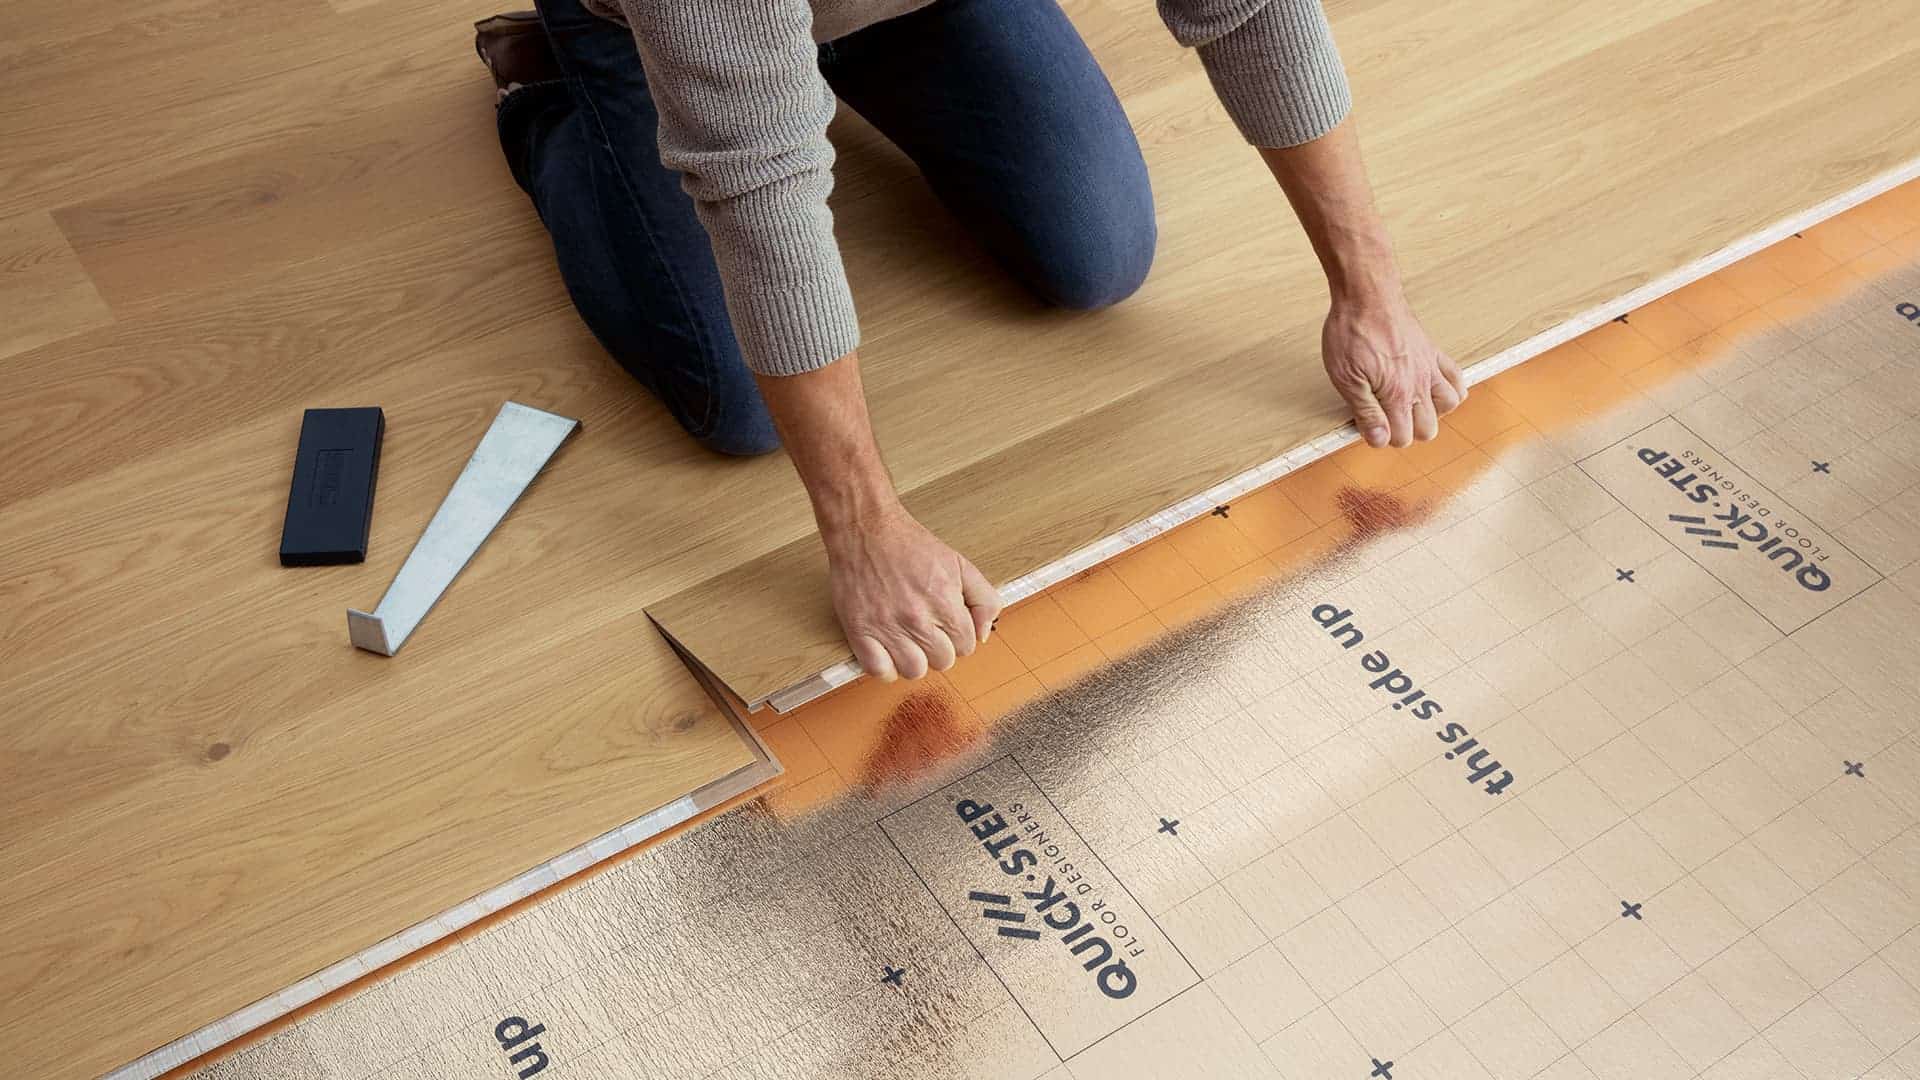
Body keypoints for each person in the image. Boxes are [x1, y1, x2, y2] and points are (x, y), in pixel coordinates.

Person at [477, 0, 1465, 684]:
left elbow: (1249, 6)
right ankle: (556, 106)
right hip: (652, 28)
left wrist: (1370, 292)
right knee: (736, 403)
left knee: (1096, 255)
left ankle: (819, 57)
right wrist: (865, 528)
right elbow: (759, 184)